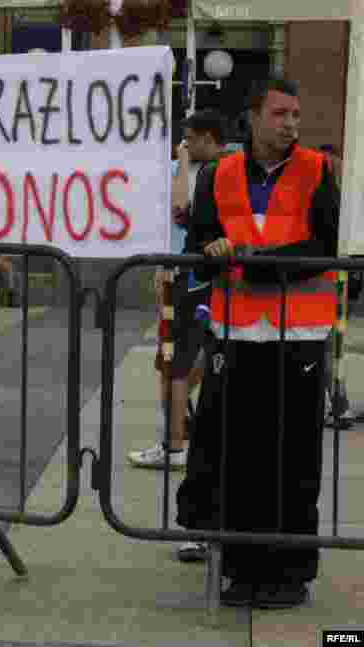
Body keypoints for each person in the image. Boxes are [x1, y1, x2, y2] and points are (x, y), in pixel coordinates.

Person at [176, 79, 339, 609]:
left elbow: (323, 244)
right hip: (237, 334)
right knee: (240, 458)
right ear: (253, 116)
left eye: (296, 114)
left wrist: (247, 259)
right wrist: (214, 247)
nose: (291, 124)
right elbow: (200, 241)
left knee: (294, 460)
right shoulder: (219, 173)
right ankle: (242, 571)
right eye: (280, 114)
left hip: (300, 335)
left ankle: (290, 573)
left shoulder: (318, 169)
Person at [129, 110, 225, 476]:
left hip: (195, 278)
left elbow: (180, 211)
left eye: (190, 139)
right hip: (175, 275)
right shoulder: (179, 171)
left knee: (178, 362)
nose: (183, 145)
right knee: (169, 362)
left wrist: (183, 163)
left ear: (207, 140)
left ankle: (175, 443)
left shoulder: (216, 173)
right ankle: (175, 431)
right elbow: (166, 221)